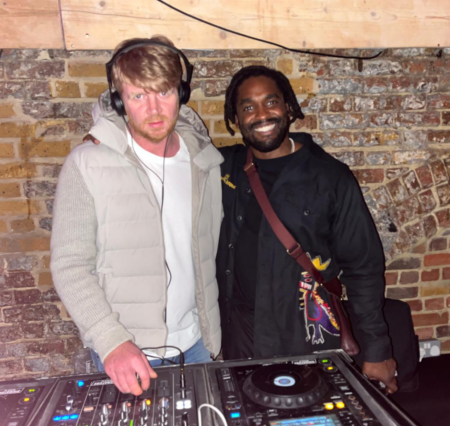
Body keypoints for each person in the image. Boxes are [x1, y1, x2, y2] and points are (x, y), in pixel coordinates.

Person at [50, 36, 223, 396]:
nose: (154, 109)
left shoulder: (204, 161)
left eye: (164, 92)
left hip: (198, 343)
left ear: (181, 93)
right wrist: (111, 341)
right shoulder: (86, 164)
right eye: (138, 96)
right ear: (119, 100)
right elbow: (70, 265)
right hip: (128, 352)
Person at [216, 65, 398, 393]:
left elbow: (363, 268)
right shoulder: (223, 167)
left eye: (271, 102)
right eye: (248, 107)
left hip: (306, 334)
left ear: (288, 108)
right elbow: (174, 144)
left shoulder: (330, 177)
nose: (261, 114)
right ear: (236, 119)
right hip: (240, 335)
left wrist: (377, 349)